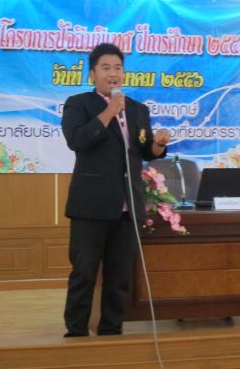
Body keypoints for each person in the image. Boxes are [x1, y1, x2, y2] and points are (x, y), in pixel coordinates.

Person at [61, 43, 170, 337]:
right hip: (91, 205)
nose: (113, 73)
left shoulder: (137, 109)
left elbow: (144, 151)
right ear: (92, 74)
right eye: (106, 68)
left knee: (119, 275)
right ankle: (76, 332)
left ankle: (111, 331)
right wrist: (109, 111)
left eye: (118, 68)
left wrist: (158, 145)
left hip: (127, 205)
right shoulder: (78, 104)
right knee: (84, 272)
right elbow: (77, 140)